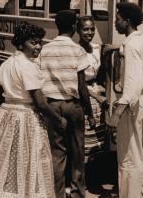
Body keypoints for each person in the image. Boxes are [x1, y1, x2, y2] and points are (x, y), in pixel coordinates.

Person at [0, 24, 66, 198]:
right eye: (33, 43)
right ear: (20, 43)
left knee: (7, 163)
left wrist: (13, 100)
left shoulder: (6, 64)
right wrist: (59, 120)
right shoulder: (28, 66)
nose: (38, 47)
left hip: (5, 116)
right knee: (28, 163)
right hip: (24, 118)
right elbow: (41, 103)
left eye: (40, 43)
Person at [40, 10, 95, 198]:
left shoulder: (45, 49)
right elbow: (81, 86)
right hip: (73, 106)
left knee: (56, 154)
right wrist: (89, 113)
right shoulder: (77, 50)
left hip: (52, 107)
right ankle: (78, 194)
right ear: (74, 27)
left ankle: (57, 193)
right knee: (78, 153)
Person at [109, 2, 143, 198]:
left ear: (127, 21)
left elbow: (133, 82)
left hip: (135, 102)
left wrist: (118, 111)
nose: (116, 23)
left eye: (118, 20)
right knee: (142, 153)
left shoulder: (131, 45)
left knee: (129, 158)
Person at [76, 16, 108, 162]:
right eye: (85, 29)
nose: (89, 33)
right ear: (78, 31)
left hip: (95, 89)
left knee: (98, 136)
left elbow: (109, 48)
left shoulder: (96, 48)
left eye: (92, 29)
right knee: (85, 135)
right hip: (83, 94)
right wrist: (96, 96)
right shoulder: (76, 51)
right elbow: (79, 83)